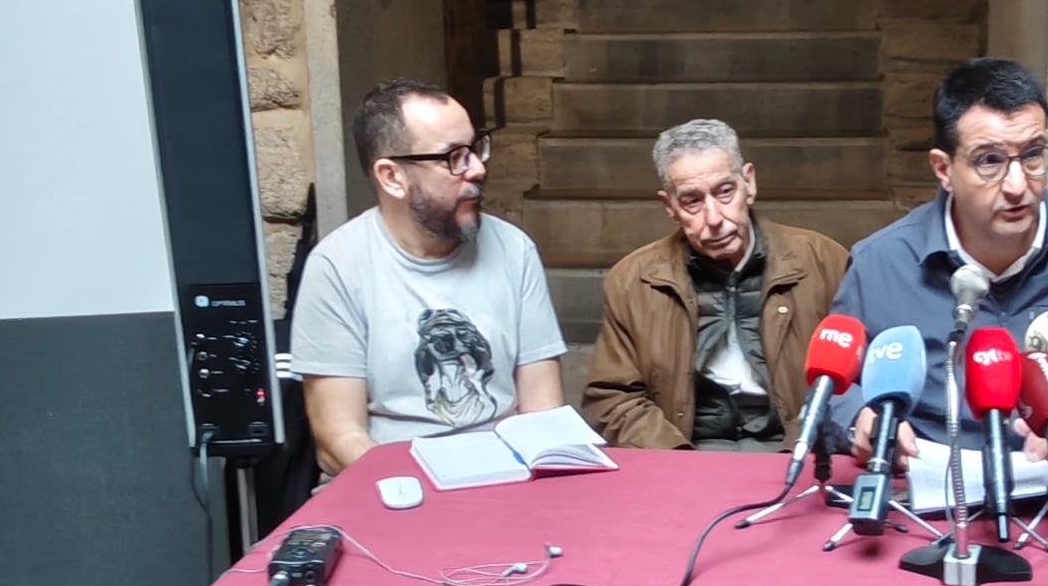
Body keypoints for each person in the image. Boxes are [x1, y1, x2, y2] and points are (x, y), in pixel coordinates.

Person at [834, 57, 1048, 457]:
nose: (1018, 185)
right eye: (990, 160)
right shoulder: (879, 264)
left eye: (1033, 155)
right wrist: (858, 422)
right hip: (928, 495)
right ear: (944, 169)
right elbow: (832, 388)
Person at [289, 81, 566, 474]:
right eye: (453, 156)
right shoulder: (337, 266)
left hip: (506, 480)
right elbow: (338, 438)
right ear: (392, 177)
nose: (477, 168)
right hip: (388, 487)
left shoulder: (514, 250)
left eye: (475, 148)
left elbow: (543, 410)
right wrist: (422, 492)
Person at [581, 118, 851, 452]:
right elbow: (613, 398)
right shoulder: (634, 280)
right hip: (686, 450)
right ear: (670, 207)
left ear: (749, 183)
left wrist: (796, 452)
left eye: (725, 192)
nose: (714, 218)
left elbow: (852, 381)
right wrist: (678, 461)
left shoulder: (823, 262)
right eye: (692, 201)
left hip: (791, 446)